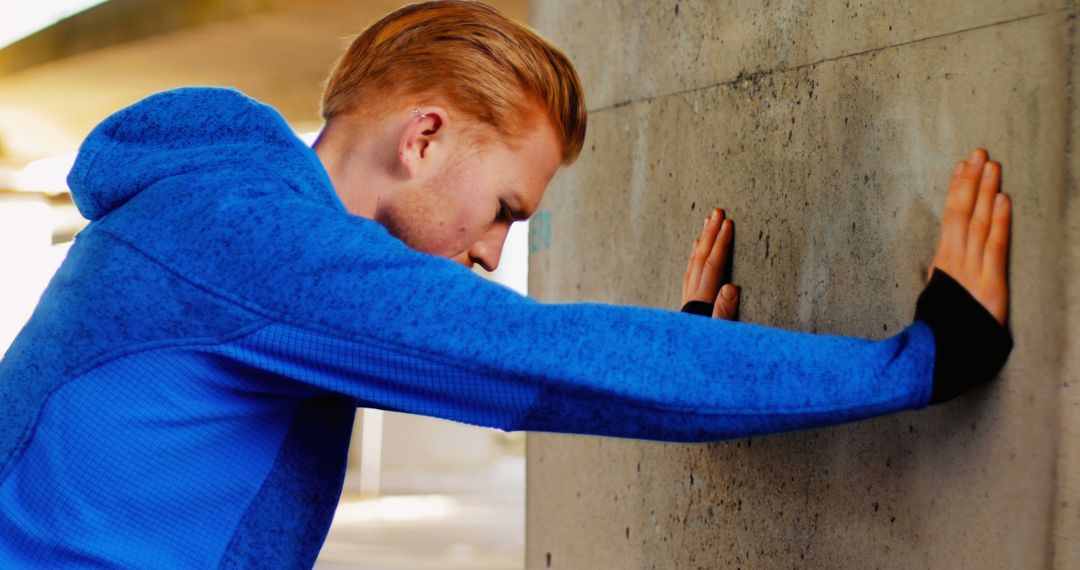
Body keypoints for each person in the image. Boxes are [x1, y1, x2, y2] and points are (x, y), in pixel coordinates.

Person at [0, 0, 1012, 567]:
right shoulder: (259, 243)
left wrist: (683, 346)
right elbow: (550, 361)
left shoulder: (222, 214)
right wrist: (924, 359)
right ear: (426, 136)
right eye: (505, 213)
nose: (491, 255)